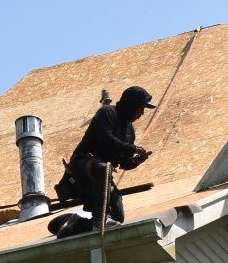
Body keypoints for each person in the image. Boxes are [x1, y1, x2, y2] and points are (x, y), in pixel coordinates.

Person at [57, 86, 156, 230]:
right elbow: (105, 139)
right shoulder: (108, 112)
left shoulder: (130, 131)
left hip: (102, 176)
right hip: (82, 167)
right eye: (141, 108)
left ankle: (74, 223)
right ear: (131, 105)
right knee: (102, 168)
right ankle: (100, 221)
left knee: (118, 217)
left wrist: (134, 162)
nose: (141, 113)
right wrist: (133, 148)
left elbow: (123, 162)